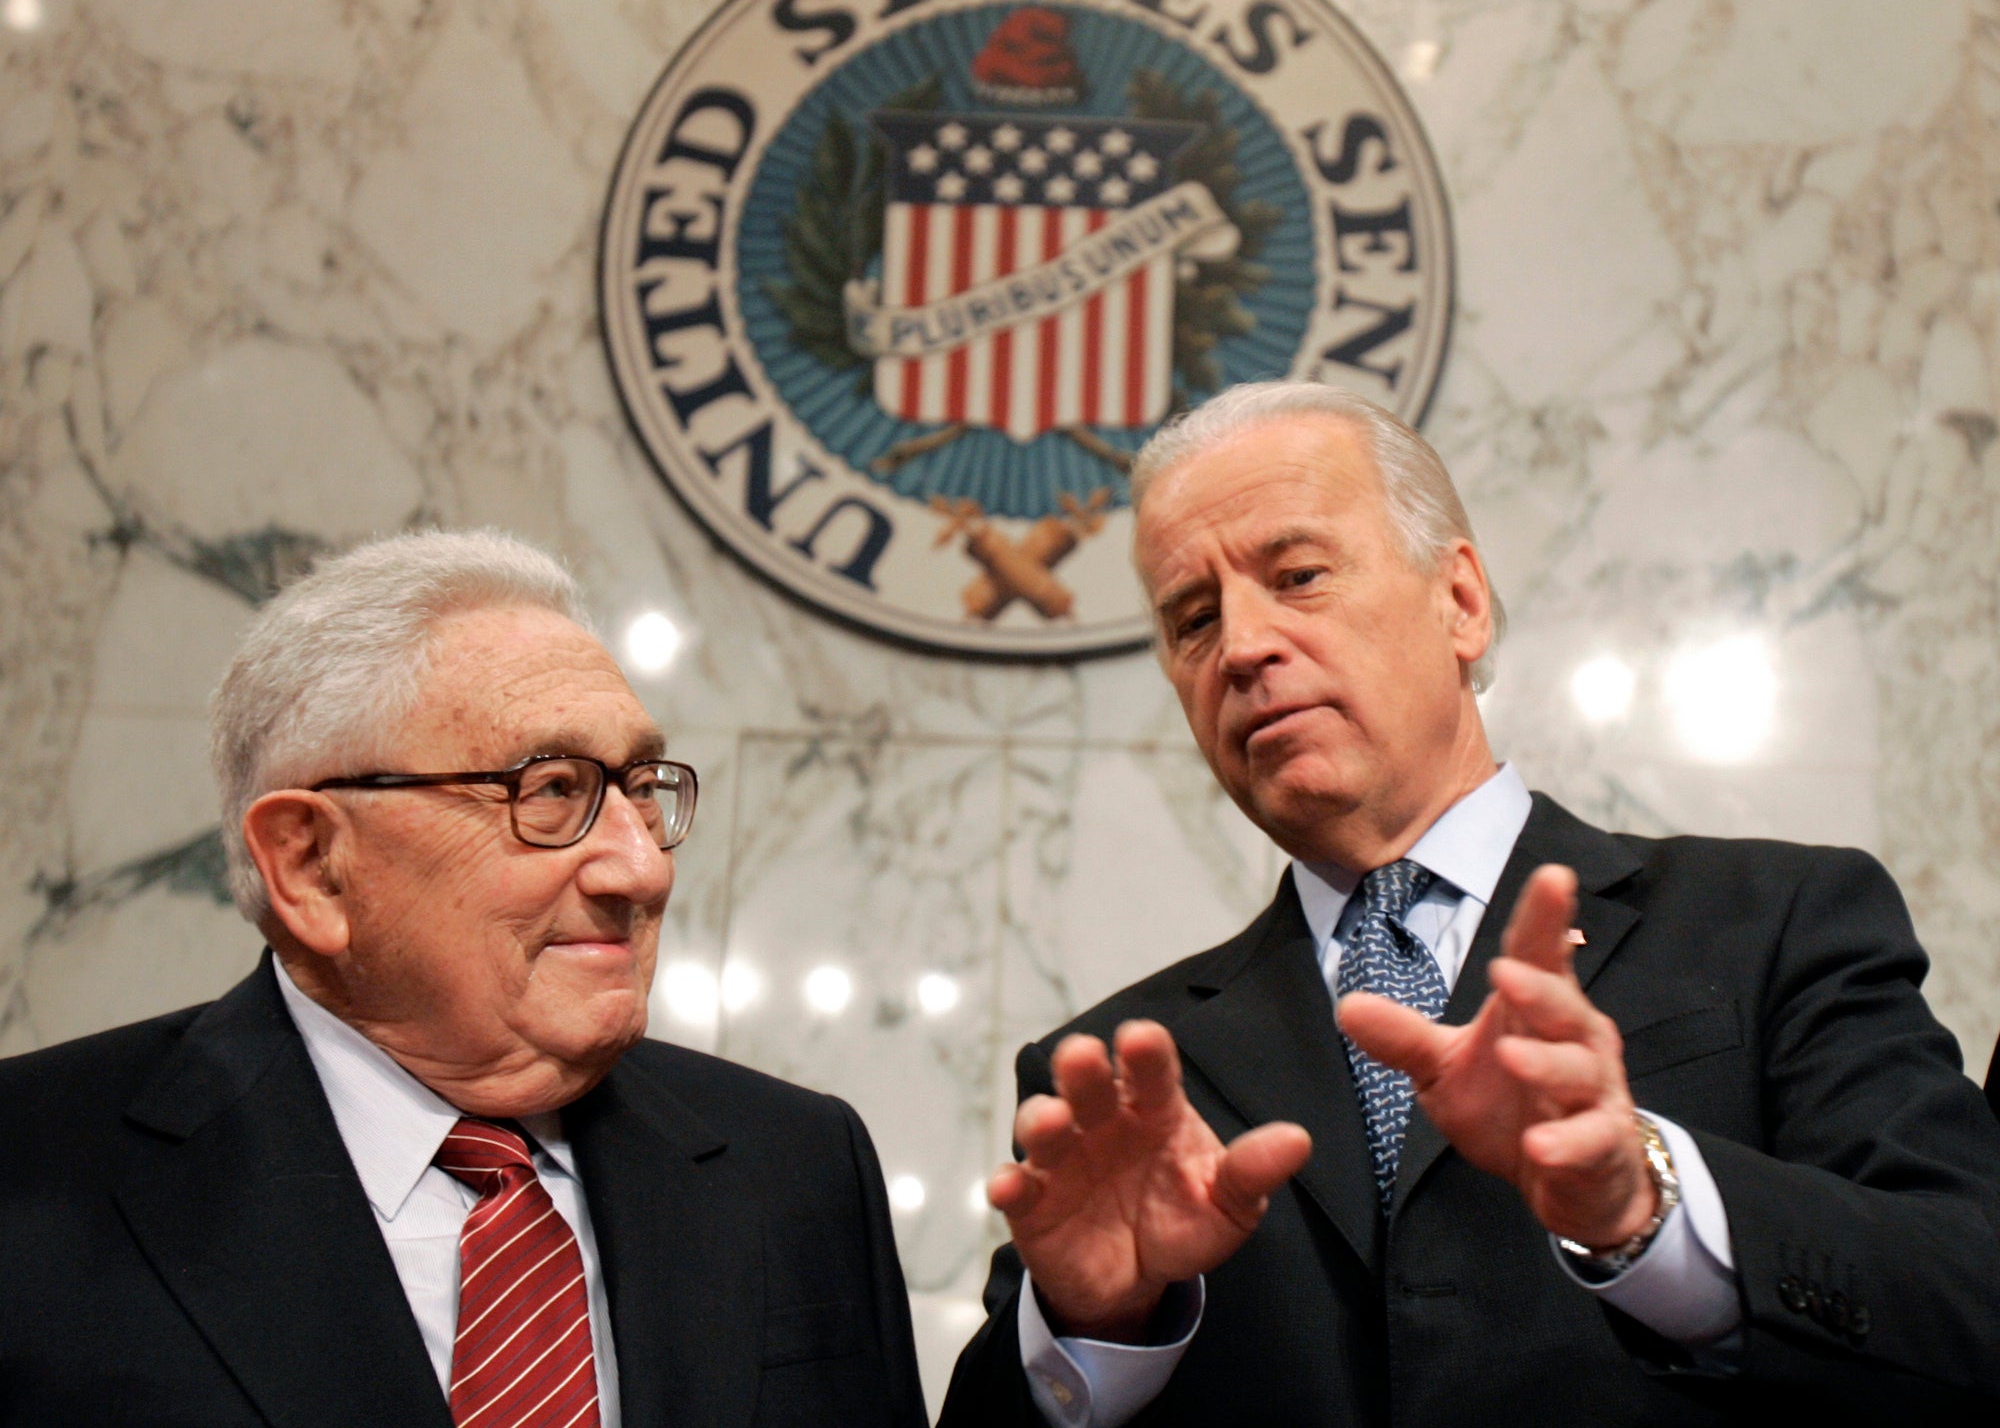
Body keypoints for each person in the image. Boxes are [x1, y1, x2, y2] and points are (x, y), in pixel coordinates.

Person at [939, 383, 2000, 1428]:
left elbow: (1965, 1297)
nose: (1243, 647)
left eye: (1296, 575)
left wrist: (1646, 1205)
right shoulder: (1115, 1080)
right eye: (1192, 618)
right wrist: (1093, 1328)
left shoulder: (1779, 921)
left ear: (1458, 601)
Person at [0, 530, 925, 1428]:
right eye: (553, 790)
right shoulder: (35, 1171)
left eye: (641, 788)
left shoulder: (798, 1168)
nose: (642, 869)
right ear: (313, 865)